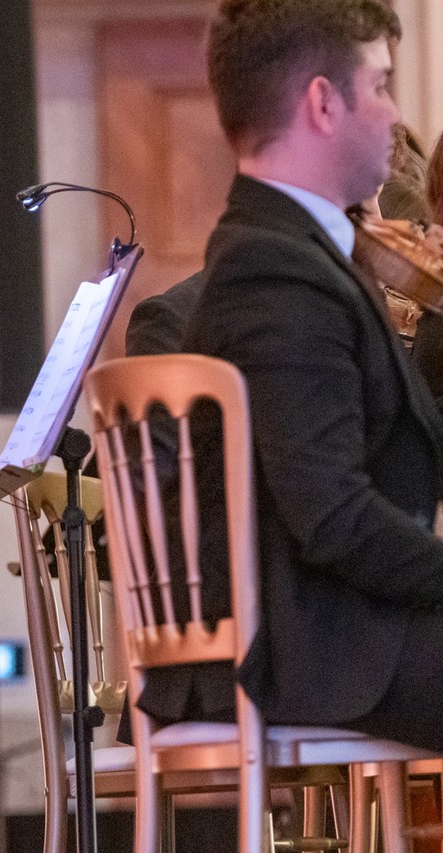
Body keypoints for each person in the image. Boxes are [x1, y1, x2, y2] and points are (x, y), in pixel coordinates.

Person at [139, 0, 443, 749]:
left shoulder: (292, 252)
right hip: (315, 652)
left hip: (333, 635)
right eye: (381, 86)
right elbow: (332, 518)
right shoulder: (274, 271)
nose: (394, 116)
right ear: (323, 103)